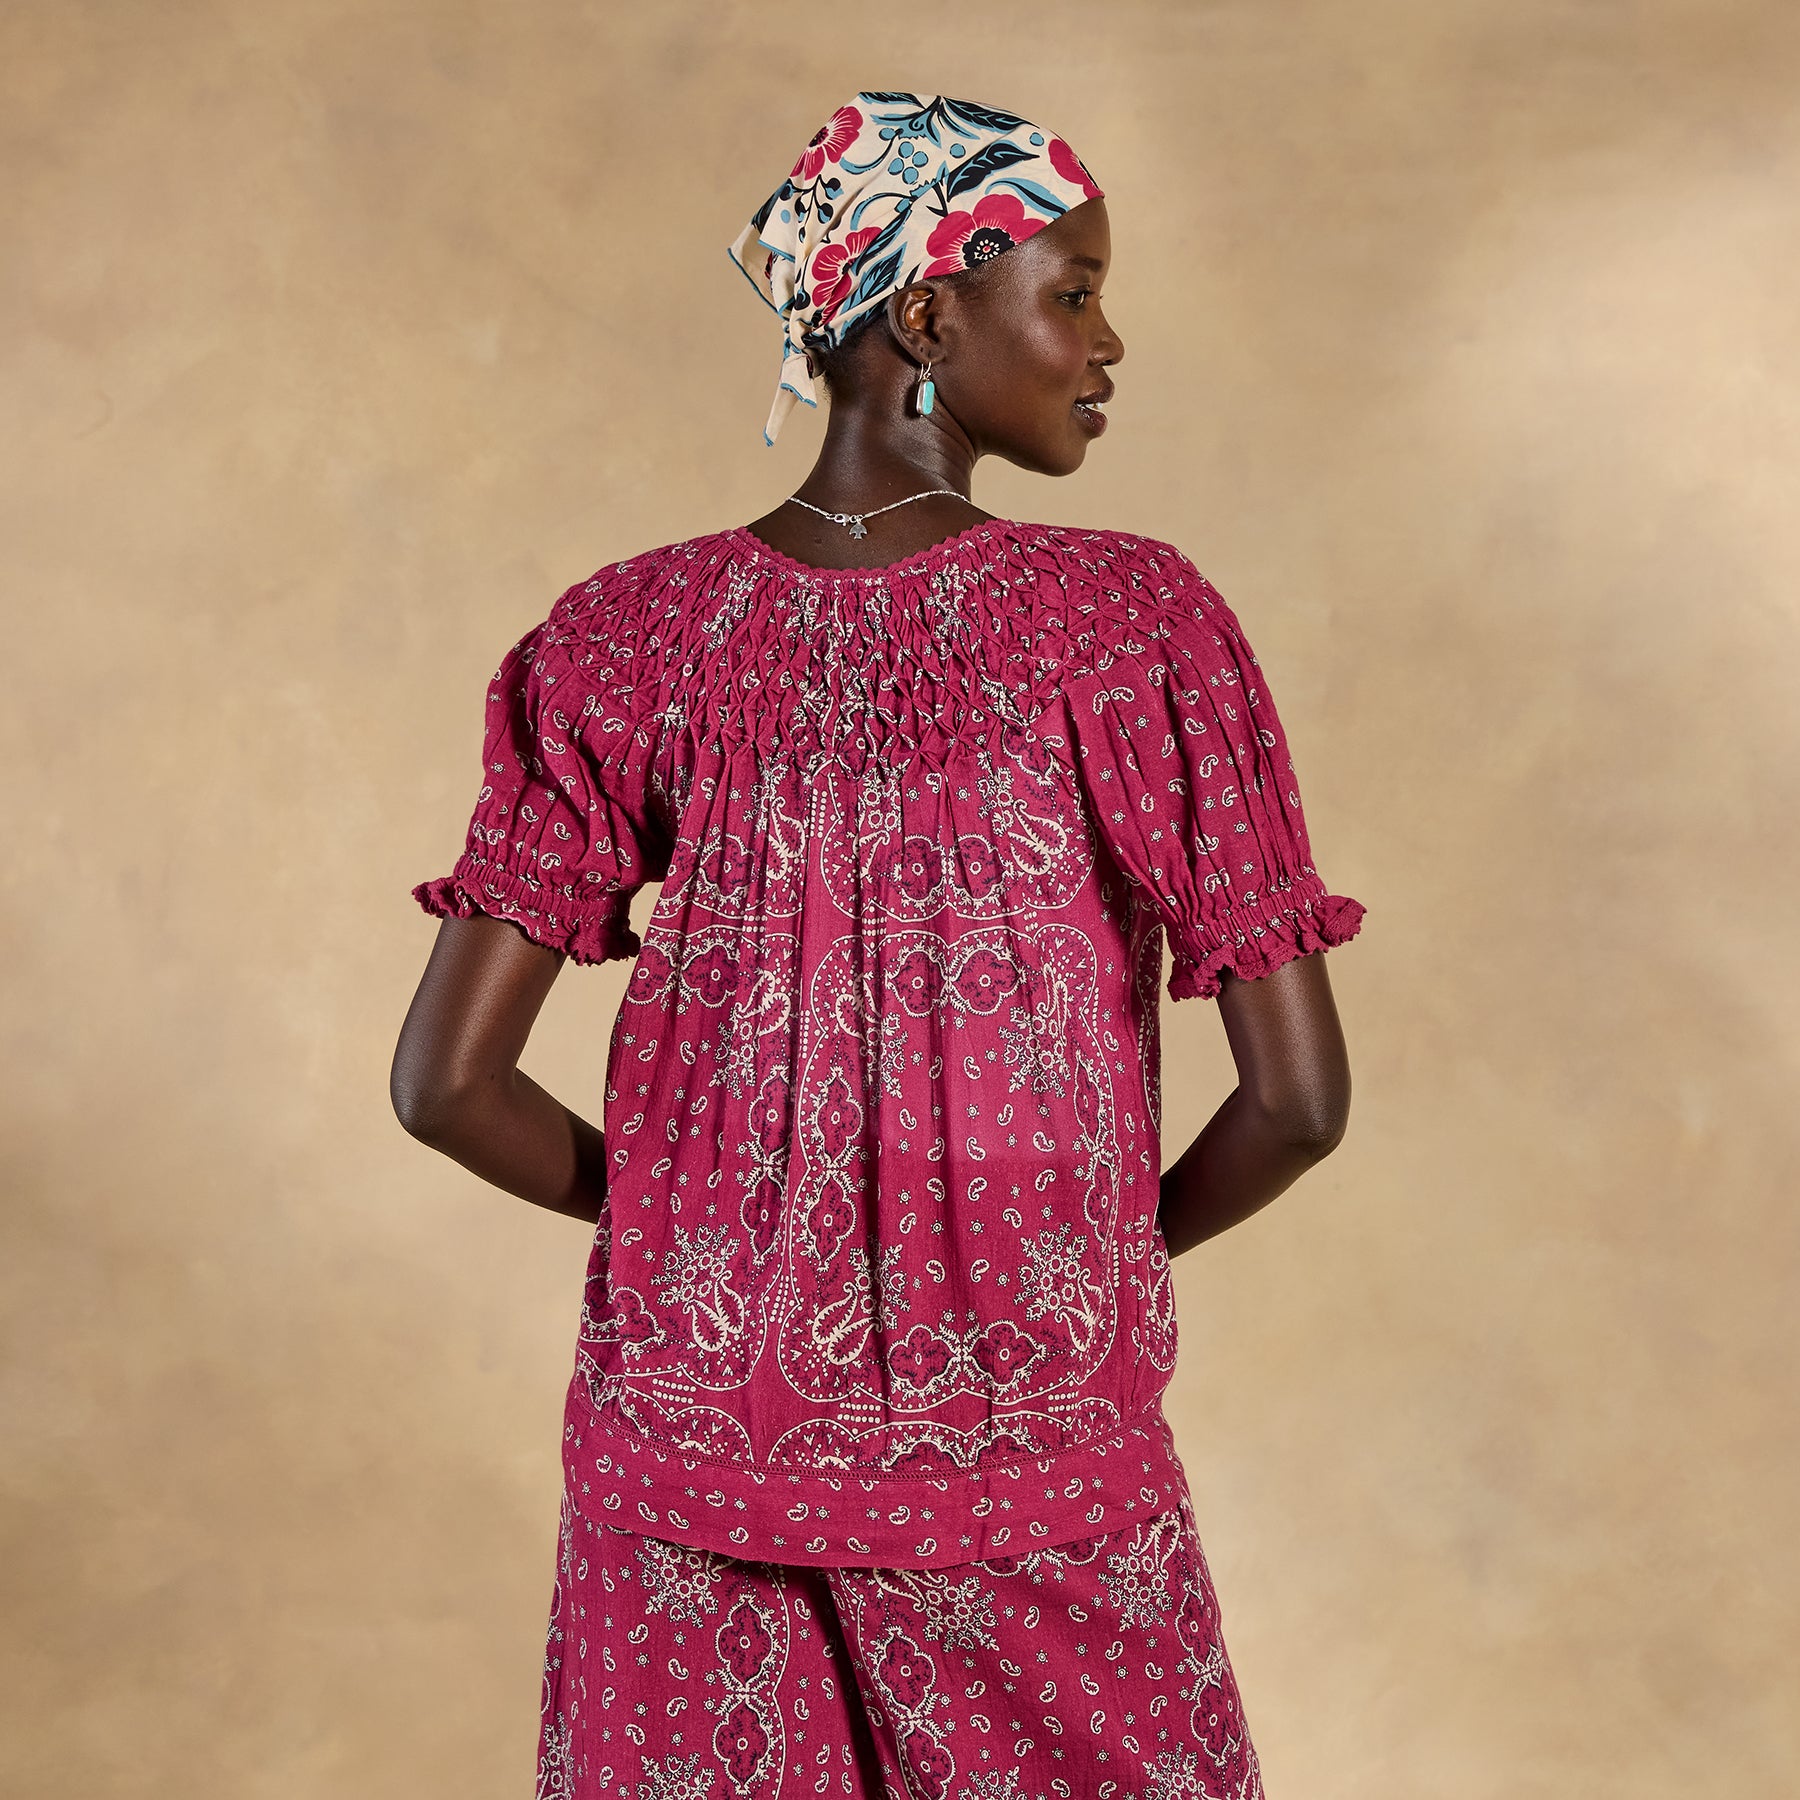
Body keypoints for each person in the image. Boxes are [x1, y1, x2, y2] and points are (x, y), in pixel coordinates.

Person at [392, 91, 1363, 1800]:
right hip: (1028, 1457)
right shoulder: (1135, 628)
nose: (1108, 343)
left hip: (683, 1461)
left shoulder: (622, 641)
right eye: (1073, 293)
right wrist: (1079, 1268)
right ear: (926, 314)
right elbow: (1297, 1103)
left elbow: (445, 1087)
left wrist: (701, 1241)